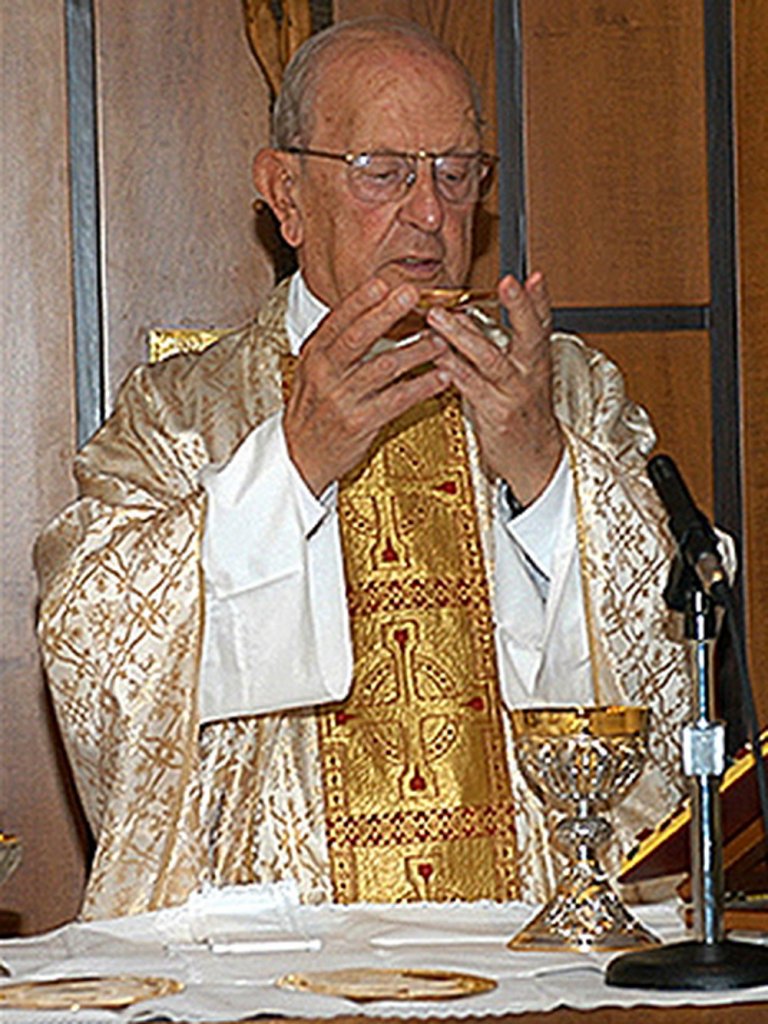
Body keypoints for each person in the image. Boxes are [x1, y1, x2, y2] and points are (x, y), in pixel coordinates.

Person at [36, 17, 692, 920]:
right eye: (386, 173)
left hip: (523, 936)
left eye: (458, 173)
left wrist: (547, 478)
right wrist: (294, 463)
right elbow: (93, 648)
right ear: (286, 193)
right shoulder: (181, 412)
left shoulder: (565, 395)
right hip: (277, 942)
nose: (431, 212)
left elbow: (679, 642)